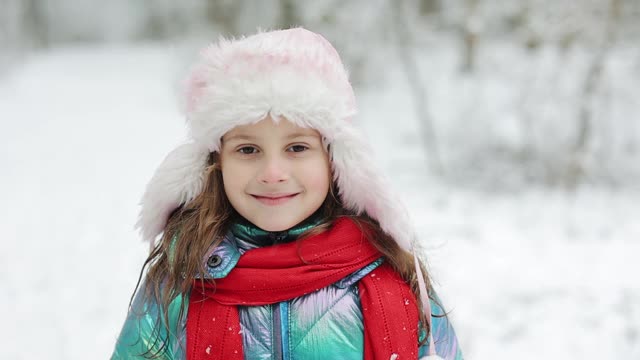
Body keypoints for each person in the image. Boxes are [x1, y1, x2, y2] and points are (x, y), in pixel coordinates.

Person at [111, 27, 463, 360]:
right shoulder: (182, 278)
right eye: (248, 150)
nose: (273, 174)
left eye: (297, 148)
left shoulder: (388, 269)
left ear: (334, 159)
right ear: (216, 163)